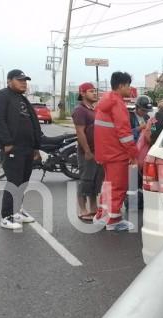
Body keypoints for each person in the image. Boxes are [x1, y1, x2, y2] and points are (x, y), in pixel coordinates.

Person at [0, 69, 42, 230]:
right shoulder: (1, 96)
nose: (23, 82)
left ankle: (17, 210)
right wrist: (7, 142)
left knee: (23, 181)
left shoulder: (22, 99)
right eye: (20, 80)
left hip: (27, 148)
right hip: (13, 147)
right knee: (13, 182)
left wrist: (36, 147)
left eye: (25, 80)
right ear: (9, 81)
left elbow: (32, 122)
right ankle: (6, 216)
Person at [93, 71, 138, 231]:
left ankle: (102, 216)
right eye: (128, 85)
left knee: (108, 186)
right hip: (117, 153)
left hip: (106, 153)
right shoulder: (117, 104)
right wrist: (134, 153)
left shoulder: (106, 101)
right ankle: (113, 221)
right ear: (121, 86)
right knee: (118, 187)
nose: (130, 88)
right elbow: (124, 134)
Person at [72, 82, 102, 222]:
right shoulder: (80, 110)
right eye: (91, 91)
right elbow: (80, 132)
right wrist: (87, 151)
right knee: (85, 180)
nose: (95, 93)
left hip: (98, 152)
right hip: (87, 152)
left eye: (95, 91)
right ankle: (83, 209)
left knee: (96, 181)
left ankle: (93, 208)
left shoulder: (94, 110)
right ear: (82, 93)